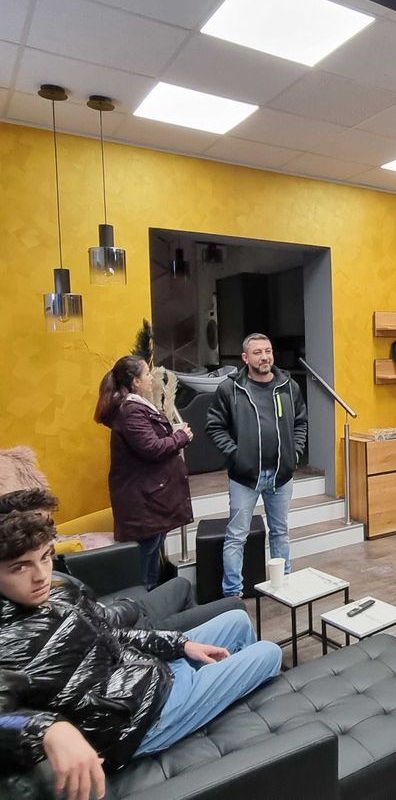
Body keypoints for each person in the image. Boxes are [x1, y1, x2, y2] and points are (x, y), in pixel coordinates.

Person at [0, 488, 281, 800]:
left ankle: (233, 705)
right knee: (269, 652)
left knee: (237, 621)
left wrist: (180, 645)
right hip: (140, 721)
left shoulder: (58, 593)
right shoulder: (6, 640)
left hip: (145, 676)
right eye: (20, 567)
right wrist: (47, 728)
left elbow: (110, 634)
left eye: (44, 558)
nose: (40, 575)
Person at [206, 334, 307, 597]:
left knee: (280, 532)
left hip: (281, 475)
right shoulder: (230, 389)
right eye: (258, 352)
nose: (264, 357)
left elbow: (300, 422)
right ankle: (233, 593)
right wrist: (236, 455)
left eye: (268, 351)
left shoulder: (288, 386)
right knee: (236, 536)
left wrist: (294, 453)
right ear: (245, 358)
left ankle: (283, 584)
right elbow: (214, 426)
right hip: (245, 477)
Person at [94, 355, 194, 590]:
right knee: (144, 564)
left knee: (151, 555)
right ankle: (143, 604)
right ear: (135, 381)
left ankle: (150, 601)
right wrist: (181, 437)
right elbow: (152, 448)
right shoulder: (130, 411)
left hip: (150, 497)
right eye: (147, 373)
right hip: (143, 501)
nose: (151, 377)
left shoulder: (135, 407)